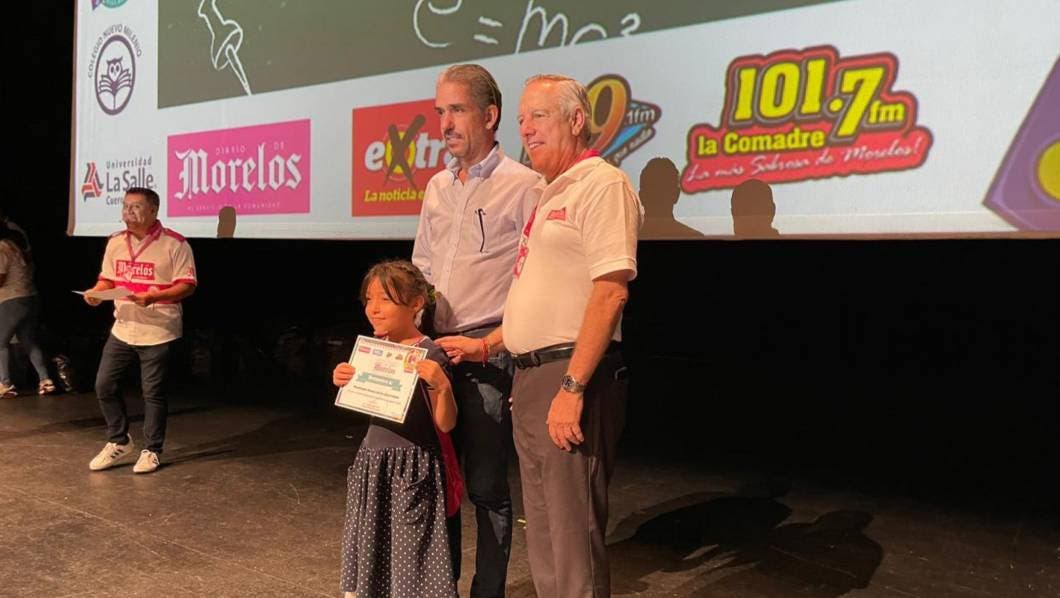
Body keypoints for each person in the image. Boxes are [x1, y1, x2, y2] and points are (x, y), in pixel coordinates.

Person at [439, 74, 643, 597]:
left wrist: (572, 388)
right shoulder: (552, 191)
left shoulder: (601, 184)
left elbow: (610, 293)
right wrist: (487, 345)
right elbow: (540, 296)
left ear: (576, 120)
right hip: (529, 377)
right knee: (546, 533)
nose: (526, 129)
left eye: (539, 116)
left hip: (569, 373)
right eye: (522, 119)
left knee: (572, 535)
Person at [411, 63, 540, 597]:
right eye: (440, 111)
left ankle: (488, 593)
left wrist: (492, 344)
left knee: (486, 488)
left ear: (490, 116)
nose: (444, 123)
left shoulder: (524, 186)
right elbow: (421, 266)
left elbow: (536, 280)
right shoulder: (437, 186)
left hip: (488, 353)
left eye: (457, 110)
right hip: (436, 353)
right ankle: (439, 588)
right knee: (439, 485)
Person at [332, 260, 459, 598]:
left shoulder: (430, 353)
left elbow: (445, 423)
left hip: (410, 467)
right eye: (369, 300)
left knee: (411, 562)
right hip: (374, 463)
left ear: (416, 303)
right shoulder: (374, 350)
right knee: (372, 550)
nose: (374, 309)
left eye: (385, 299)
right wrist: (344, 378)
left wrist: (442, 386)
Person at [82, 187, 197, 474]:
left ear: (153, 211)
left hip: (159, 329)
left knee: (153, 392)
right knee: (104, 385)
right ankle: (119, 440)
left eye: (135, 207)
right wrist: (96, 292)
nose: (128, 212)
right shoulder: (115, 241)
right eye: (125, 206)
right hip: (123, 326)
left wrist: (154, 296)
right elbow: (108, 279)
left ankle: (152, 450)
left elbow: (187, 285)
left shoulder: (175, 243)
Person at [0, 221, 55, 397]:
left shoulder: (1, 248)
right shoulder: (15, 246)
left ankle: (4, 384)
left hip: (12, 300)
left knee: (0, 342)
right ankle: (45, 380)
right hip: (30, 298)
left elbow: (0, 278)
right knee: (29, 341)